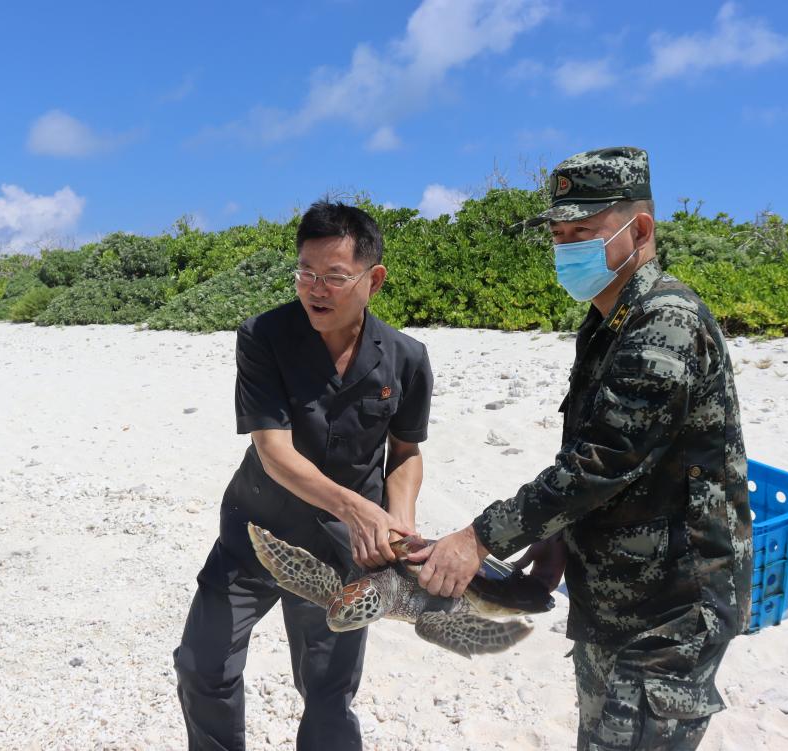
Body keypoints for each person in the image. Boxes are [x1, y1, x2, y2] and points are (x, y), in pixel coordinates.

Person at [408, 146, 752, 750]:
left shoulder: (665, 321)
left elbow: (606, 459)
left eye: (584, 232)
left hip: (669, 607)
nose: (568, 247)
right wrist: (559, 534)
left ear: (638, 228)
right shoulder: (608, 322)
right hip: (613, 593)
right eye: (560, 234)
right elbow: (601, 462)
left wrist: (478, 539)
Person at [174, 201, 433, 751]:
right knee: (202, 665)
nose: (316, 289)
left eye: (335, 277)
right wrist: (358, 508)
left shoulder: (407, 358)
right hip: (256, 533)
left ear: (373, 279)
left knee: (328, 694)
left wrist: (398, 523)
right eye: (305, 273)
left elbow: (405, 453)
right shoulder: (263, 336)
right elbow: (273, 450)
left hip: (344, 554)